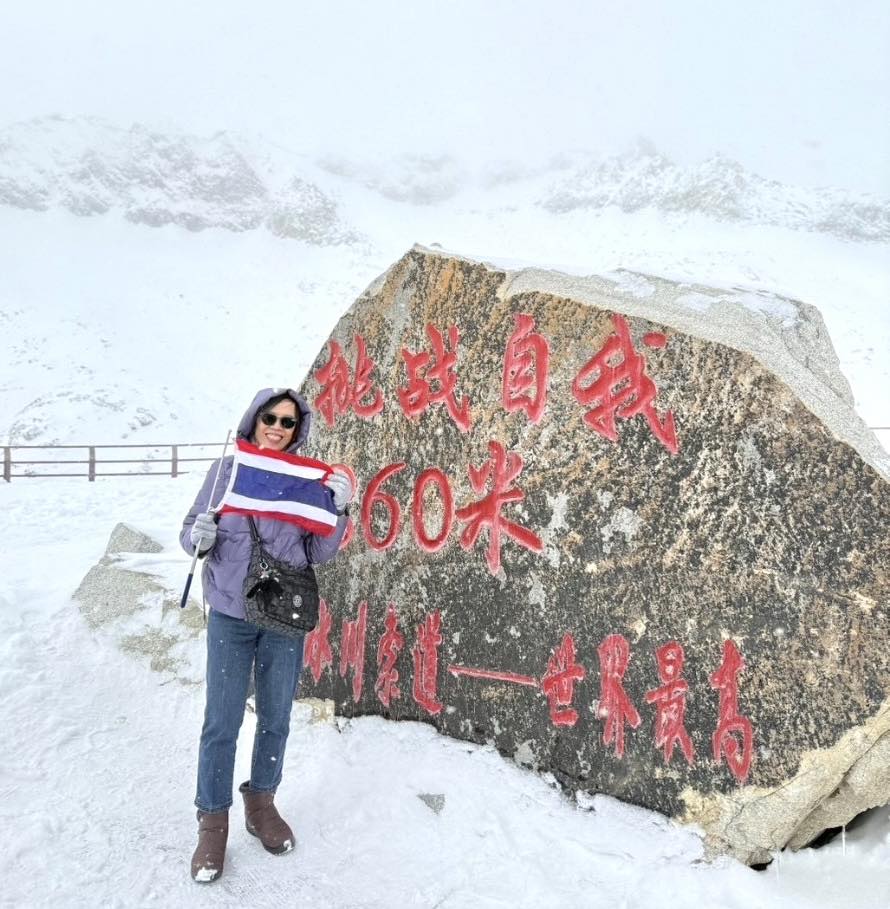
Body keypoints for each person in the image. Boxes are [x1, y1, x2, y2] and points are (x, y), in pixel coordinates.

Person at [180, 387, 352, 883]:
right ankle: (213, 822)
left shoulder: (301, 481)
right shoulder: (228, 471)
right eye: (270, 418)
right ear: (254, 420)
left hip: (283, 616)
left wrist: (339, 512)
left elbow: (317, 553)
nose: (277, 428)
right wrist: (198, 537)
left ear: (297, 430)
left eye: (288, 422)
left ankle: (261, 803)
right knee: (222, 720)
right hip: (231, 614)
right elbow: (190, 530)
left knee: (276, 716)